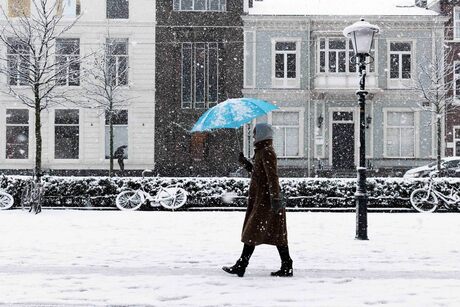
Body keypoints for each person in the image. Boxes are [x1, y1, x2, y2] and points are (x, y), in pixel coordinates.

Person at [222, 123, 293, 277]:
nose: (253, 136)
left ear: (261, 134)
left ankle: (242, 265)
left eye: (255, 133)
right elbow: (258, 173)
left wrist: (275, 198)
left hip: (266, 200)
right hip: (264, 199)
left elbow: (272, 176)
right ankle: (287, 265)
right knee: (276, 232)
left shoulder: (266, 152)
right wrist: (246, 163)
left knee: (253, 231)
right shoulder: (262, 151)